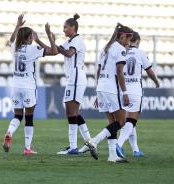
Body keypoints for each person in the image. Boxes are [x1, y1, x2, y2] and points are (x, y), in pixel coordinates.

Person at [3, 14, 58, 154]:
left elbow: (11, 39)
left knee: (17, 116)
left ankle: (10, 132)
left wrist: (17, 26)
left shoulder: (14, 47)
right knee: (29, 117)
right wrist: (45, 38)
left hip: (15, 86)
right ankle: (27, 148)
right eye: (31, 37)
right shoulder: (33, 49)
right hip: (28, 86)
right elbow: (54, 51)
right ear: (29, 38)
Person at [85, 23, 133, 163]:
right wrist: (125, 92)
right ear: (122, 36)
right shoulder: (120, 49)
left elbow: (99, 71)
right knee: (122, 121)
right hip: (112, 88)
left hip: (102, 86)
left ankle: (112, 155)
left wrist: (98, 91)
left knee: (112, 121)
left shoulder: (105, 48)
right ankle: (94, 141)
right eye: (128, 39)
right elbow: (119, 72)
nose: (128, 43)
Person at [116, 31, 160, 158]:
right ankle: (118, 144)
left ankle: (135, 150)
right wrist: (156, 81)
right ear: (138, 41)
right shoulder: (140, 53)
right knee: (131, 121)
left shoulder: (122, 52)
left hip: (122, 90)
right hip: (135, 91)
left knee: (129, 120)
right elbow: (149, 71)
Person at [53, 14, 92, 155]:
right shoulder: (70, 41)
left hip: (76, 78)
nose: (63, 30)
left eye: (65, 27)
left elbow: (68, 54)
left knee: (70, 112)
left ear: (72, 27)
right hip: (74, 78)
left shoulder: (77, 41)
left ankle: (73, 147)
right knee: (74, 112)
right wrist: (42, 40)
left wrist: (56, 46)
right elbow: (56, 50)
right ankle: (89, 141)